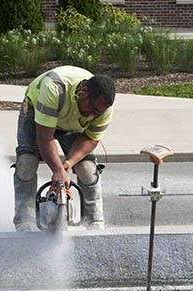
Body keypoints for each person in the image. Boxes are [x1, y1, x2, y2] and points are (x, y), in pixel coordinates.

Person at [13, 65, 116, 232]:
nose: (93, 115)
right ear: (83, 93)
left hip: (71, 119)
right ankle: (24, 221)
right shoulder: (53, 88)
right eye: (92, 109)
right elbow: (45, 137)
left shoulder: (102, 107)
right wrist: (58, 170)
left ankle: (95, 221)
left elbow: (90, 139)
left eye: (98, 113)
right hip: (36, 110)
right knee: (26, 163)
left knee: (87, 169)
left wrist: (67, 164)